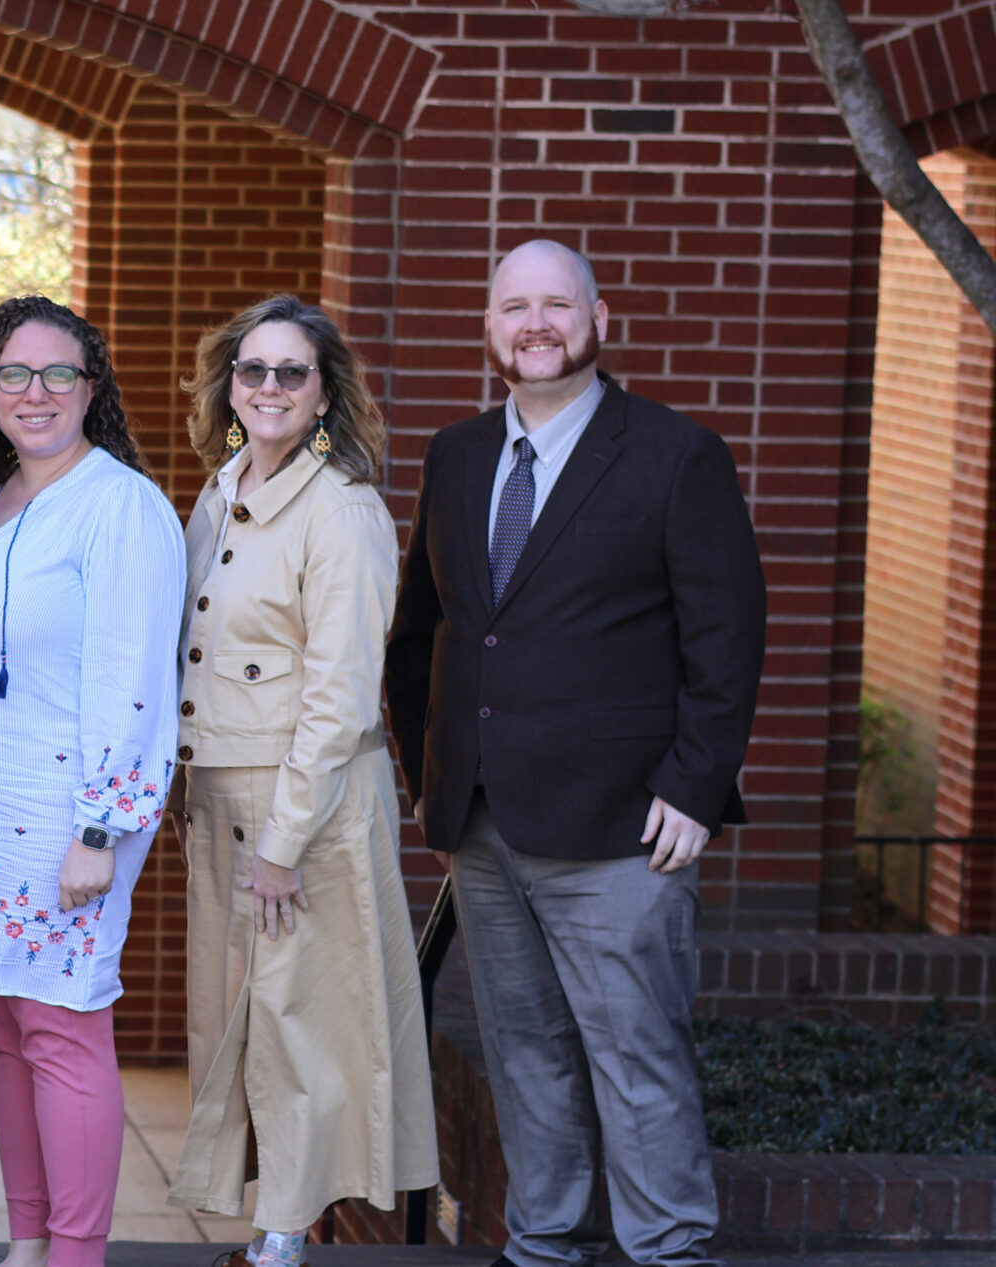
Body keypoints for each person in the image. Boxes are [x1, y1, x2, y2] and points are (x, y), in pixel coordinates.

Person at [387, 240, 765, 1267]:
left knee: (635, 1053)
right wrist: (434, 779)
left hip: (620, 824)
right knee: (524, 1052)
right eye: (514, 306)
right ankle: (543, 1242)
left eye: (557, 304)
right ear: (489, 327)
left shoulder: (673, 454)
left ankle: (670, 1250)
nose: (536, 324)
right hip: (483, 821)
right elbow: (424, 631)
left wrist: (693, 788)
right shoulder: (457, 454)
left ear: (599, 318)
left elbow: (726, 637)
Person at [0, 295, 185, 1267]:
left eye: (57, 373)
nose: (35, 392)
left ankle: (74, 1253)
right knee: (11, 1039)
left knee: (61, 1033)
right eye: (14, 374)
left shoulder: (120, 506)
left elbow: (134, 678)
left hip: (60, 818)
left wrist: (103, 830)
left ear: (90, 390)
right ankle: (27, 1240)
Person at [162, 295, 436, 1267]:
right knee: (231, 1019)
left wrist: (280, 843)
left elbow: (340, 692)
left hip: (302, 811)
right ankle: (266, 1226)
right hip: (218, 803)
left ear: (325, 395)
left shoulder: (344, 509)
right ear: (228, 386)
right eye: (252, 370)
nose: (268, 388)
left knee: (294, 1025)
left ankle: (280, 1242)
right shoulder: (221, 486)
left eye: (291, 372)